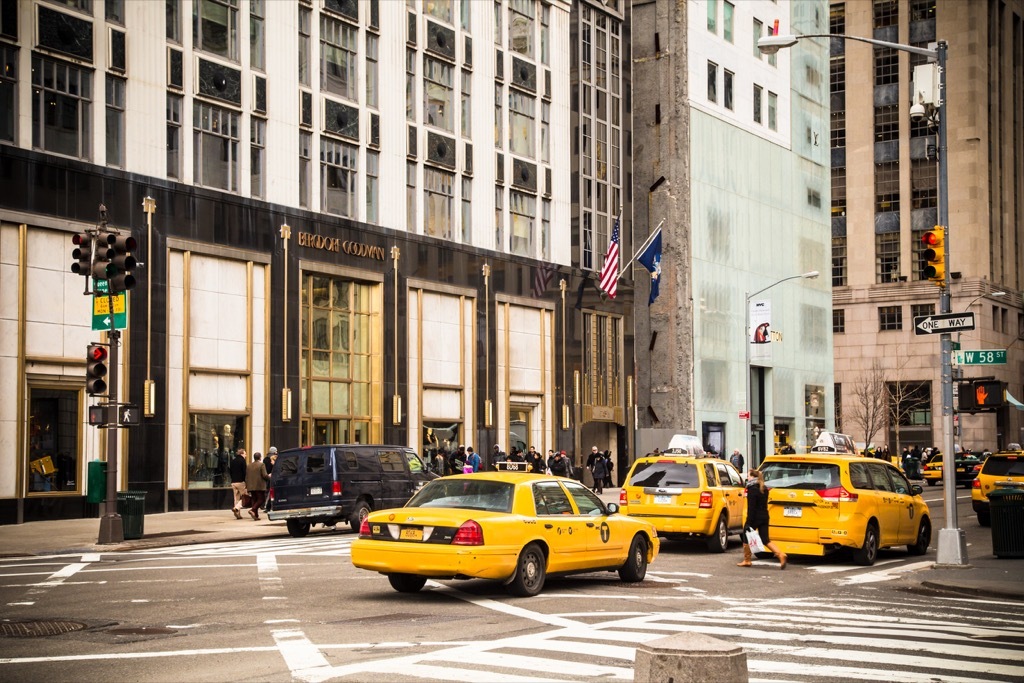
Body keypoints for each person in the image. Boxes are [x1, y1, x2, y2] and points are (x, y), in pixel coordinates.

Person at [737, 468, 787, 570]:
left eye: (748, 476)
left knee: (746, 534)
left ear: (753, 477)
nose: (747, 477)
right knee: (765, 539)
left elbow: (752, 507)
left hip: (755, 517)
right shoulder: (764, 488)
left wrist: (748, 522)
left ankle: (747, 560)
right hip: (765, 516)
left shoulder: (752, 489)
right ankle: (780, 554)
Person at [245, 452, 270, 520]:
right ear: (260, 457)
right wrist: (269, 477)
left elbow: (246, 476)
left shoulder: (249, 465)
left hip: (251, 485)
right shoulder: (262, 465)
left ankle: (255, 515)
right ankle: (253, 510)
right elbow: (264, 475)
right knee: (261, 499)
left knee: (254, 499)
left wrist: (247, 485)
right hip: (259, 485)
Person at [229, 448, 248, 519]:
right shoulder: (242, 461)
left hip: (233, 482)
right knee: (245, 497)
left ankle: (237, 514)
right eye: (245, 454)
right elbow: (244, 472)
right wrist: (245, 481)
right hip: (241, 482)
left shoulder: (233, 461)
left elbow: (230, 471)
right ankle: (236, 508)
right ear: (242, 454)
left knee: (236, 498)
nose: (246, 455)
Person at [262, 447, 278, 512]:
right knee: (270, 493)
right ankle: (268, 506)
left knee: (268, 492)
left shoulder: (265, 459)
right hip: (271, 478)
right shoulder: (275, 459)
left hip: (266, 477)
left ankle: (267, 506)